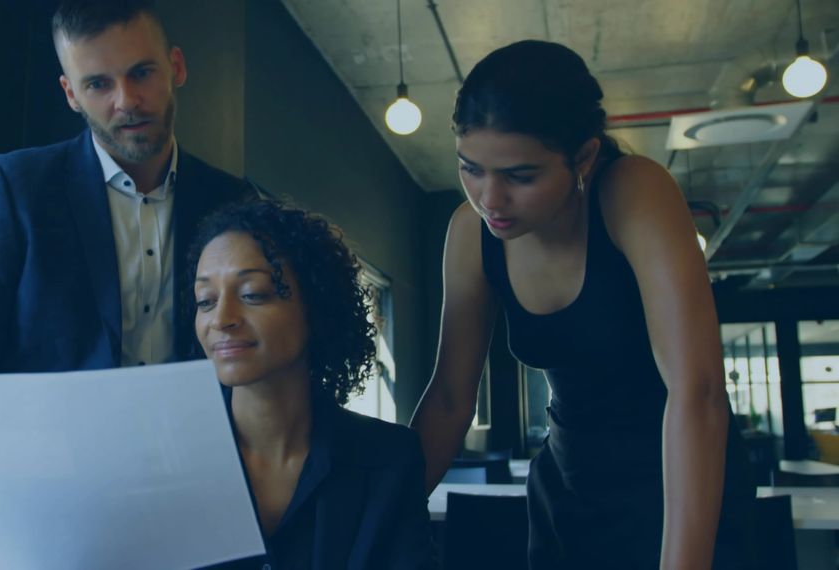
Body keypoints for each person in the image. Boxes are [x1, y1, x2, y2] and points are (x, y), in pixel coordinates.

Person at [0, 1, 256, 568]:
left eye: (141, 73)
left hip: (198, 513)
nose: (125, 101)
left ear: (176, 67)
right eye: (98, 83)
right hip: (39, 520)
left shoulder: (235, 201)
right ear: (70, 92)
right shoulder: (10, 188)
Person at [410, 40, 753, 569]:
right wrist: (380, 514)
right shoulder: (469, 233)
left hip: (685, 485)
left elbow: (697, 391)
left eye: (520, 176)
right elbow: (452, 397)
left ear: (585, 156)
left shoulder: (634, 192)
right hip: (568, 492)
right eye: (471, 168)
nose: (489, 199)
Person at [190, 200, 435, 569]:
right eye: (205, 300)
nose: (220, 319)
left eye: (253, 294)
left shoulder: (389, 459)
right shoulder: (170, 464)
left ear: (317, 307)